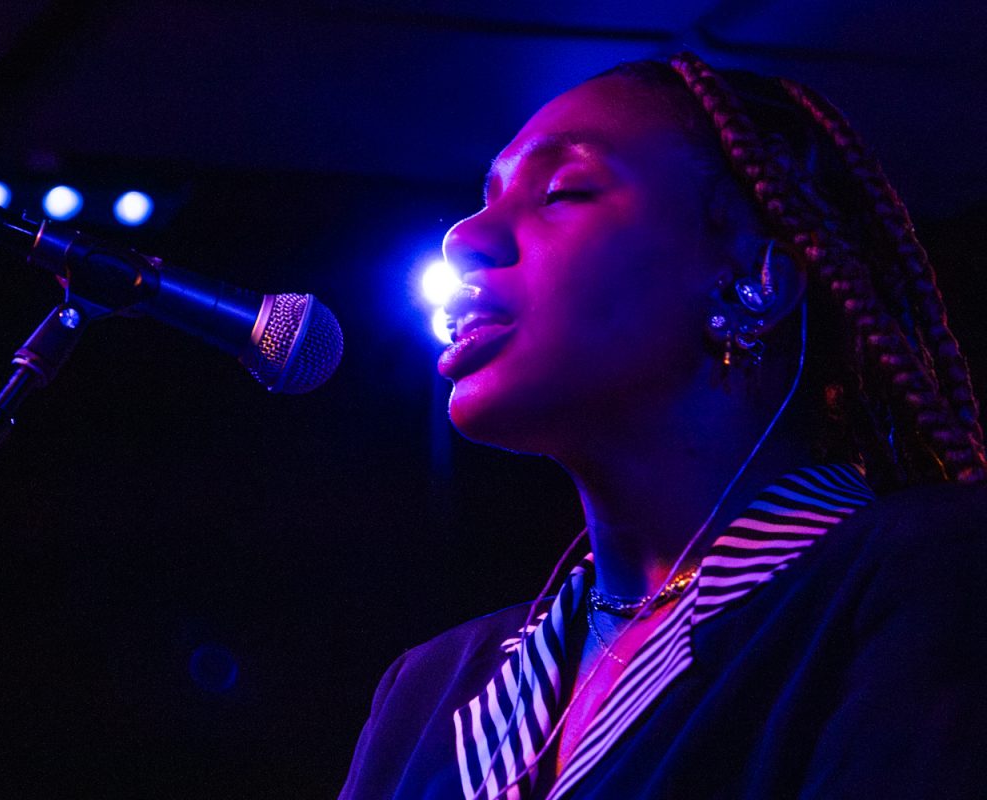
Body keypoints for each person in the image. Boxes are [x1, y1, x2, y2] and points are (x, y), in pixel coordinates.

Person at [339, 52, 987, 799]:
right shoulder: (427, 691)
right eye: (483, 198)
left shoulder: (933, 572)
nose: (466, 236)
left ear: (756, 276)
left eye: (564, 190)